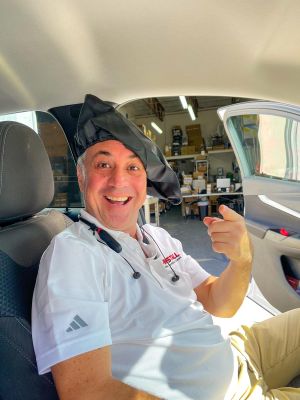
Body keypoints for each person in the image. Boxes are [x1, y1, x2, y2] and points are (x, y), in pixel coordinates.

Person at [32, 95, 300, 400]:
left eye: (133, 167)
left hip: (239, 351)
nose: (119, 180)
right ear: (81, 177)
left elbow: (218, 302)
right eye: (103, 164)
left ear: (145, 181)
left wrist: (241, 260)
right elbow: (88, 392)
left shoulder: (157, 236)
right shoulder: (73, 255)